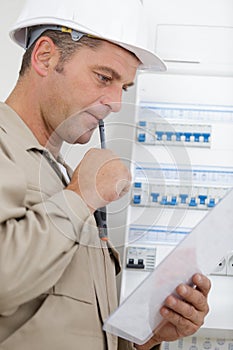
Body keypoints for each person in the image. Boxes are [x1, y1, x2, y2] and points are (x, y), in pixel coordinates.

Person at [0, 0, 211, 349]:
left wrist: (148, 336)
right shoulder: (75, 188)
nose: (115, 102)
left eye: (123, 87)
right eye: (104, 77)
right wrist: (81, 196)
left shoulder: (64, 179)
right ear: (45, 57)